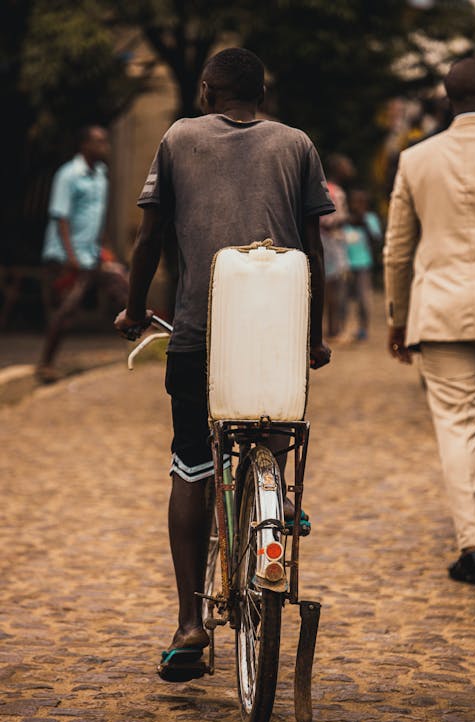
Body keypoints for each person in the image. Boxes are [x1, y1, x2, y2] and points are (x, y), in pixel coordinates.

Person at [114, 47, 333, 675]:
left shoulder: (179, 137)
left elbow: (150, 236)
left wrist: (133, 310)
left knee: (192, 464)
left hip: (198, 335)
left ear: (207, 90)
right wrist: (313, 338)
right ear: (261, 95)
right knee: (275, 423)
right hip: (278, 334)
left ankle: (189, 623)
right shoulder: (297, 145)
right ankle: (279, 500)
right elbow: (312, 252)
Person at [384, 56, 475, 584]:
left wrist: (398, 318)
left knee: (459, 430)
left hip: (442, 314)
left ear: (449, 102)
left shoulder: (416, 160)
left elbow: (398, 251)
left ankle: (473, 544)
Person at [36, 126, 128, 383]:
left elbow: (97, 219)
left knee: (124, 288)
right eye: (98, 142)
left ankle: (150, 347)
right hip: (67, 256)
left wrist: (106, 250)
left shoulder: (101, 175)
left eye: (106, 142)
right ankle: (45, 364)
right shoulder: (68, 175)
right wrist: (71, 257)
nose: (104, 147)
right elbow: (61, 217)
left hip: (93, 254)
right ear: (84, 145)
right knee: (66, 310)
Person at [320, 154, 354, 340]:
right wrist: (346, 218)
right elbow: (328, 221)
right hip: (332, 244)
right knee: (334, 288)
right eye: (345, 165)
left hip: (324, 242)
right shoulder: (337, 192)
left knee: (328, 288)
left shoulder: (322, 187)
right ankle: (334, 330)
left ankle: (329, 328)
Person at [343, 188, 382, 341]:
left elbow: (376, 240)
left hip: (363, 264)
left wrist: (364, 224)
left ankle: (363, 329)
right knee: (343, 300)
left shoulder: (370, 219)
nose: (357, 205)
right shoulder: (345, 219)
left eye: (361, 202)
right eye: (354, 202)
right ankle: (343, 328)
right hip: (345, 265)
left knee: (363, 299)